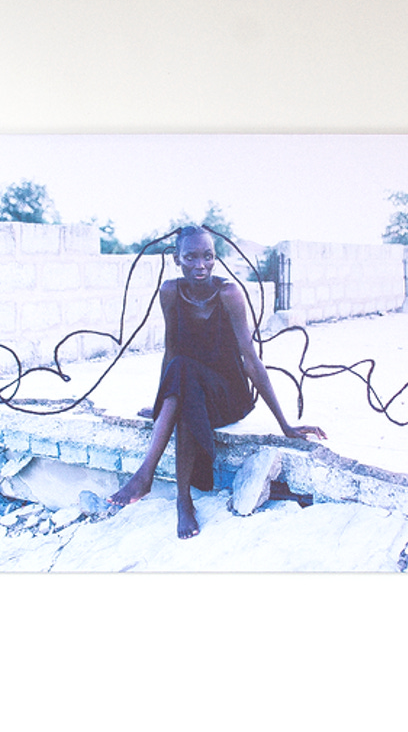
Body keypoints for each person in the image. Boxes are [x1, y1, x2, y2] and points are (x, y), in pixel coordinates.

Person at [108, 227, 326, 538]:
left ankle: (146, 476)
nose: (200, 265)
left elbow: (251, 360)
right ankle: (183, 502)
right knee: (183, 385)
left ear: (215, 259)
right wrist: (161, 405)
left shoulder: (229, 294)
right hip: (190, 387)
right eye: (191, 257)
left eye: (208, 257)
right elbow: (171, 350)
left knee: (184, 382)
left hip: (229, 395)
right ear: (176, 259)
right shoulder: (170, 292)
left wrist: (285, 425)